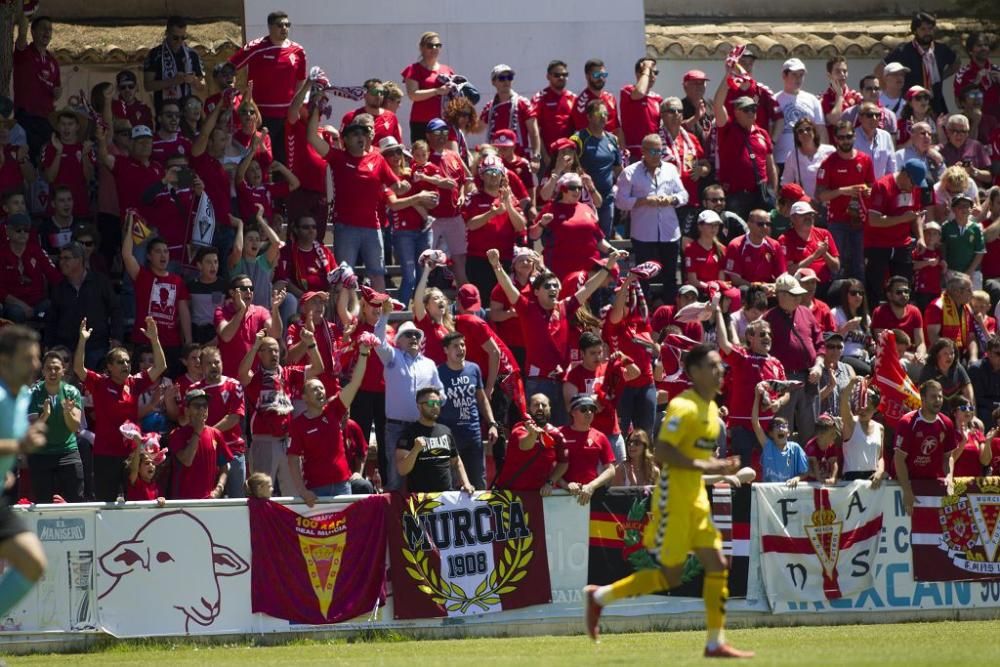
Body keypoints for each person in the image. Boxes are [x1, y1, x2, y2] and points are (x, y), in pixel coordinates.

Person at [583, 344, 752, 659]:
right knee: (670, 575)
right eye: (714, 366)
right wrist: (712, 467)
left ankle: (715, 642)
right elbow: (662, 452)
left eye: (722, 367)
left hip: (696, 500)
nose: (721, 372)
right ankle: (601, 596)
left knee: (717, 564)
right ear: (695, 372)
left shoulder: (713, 411)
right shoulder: (683, 407)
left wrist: (714, 468)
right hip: (673, 500)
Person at [489, 246, 625, 424]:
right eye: (547, 286)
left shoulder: (564, 307)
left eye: (555, 285)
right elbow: (507, 286)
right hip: (537, 382)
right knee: (538, 430)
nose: (553, 288)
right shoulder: (526, 308)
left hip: (562, 381)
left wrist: (608, 267)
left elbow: (589, 287)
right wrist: (496, 265)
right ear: (536, 292)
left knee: (563, 430)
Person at [76, 316, 167, 502]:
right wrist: (82, 340)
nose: (126, 365)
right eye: (120, 362)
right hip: (105, 454)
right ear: (109, 367)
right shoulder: (100, 383)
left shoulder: (134, 383)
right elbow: (78, 368)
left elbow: (161, 366)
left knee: (135, 500)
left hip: (131, 455)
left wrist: (155, 339)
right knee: (106, 501)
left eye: (127, 361)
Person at [307, 115, 398, 293]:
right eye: (355, 134)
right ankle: (346, 316)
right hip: (346, 227)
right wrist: (316, 106)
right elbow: (311, 137)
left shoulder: (378, 159)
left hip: (373, 227)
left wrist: (410, 187)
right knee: (345, 275)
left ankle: (378, 317)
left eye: (363, 134)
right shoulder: (337, 157)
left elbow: (397, 186)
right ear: (345, 139)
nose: (360, 137)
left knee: (378, 274)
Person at [240, 328, 323, 496]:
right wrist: (254, 346)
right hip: (263, 441)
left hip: (287, 441)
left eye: (277, 350)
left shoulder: (288, 373)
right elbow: (241, 375)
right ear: (260, 354)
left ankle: (291, 523)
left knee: (294, 494)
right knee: (260, 493)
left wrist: (311, 343)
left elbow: (318, 368)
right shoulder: (255, 378)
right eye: (269, 350)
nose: (274, 354)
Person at [0, 326, 48, 616]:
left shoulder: (22, 397)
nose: (35, 365)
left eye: (36, 358)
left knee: (32, 563)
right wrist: (18, 444)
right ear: (4, 361)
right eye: (27, 358)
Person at [288, 342, 370, 505]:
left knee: (346, 529)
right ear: (304, 397)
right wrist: (302, 490)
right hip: (316, 490)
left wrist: (363, 354)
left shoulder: (334, 409)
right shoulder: (298, 424)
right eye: (314, 389)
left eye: (322, 388)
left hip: (343, 486)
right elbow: (292, 459)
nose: (320, 391)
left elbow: (354, 384)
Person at [374, 306, 444, 491]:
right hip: (396, 427)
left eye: (416, 335)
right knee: (395, 477)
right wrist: (385, 314)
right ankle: (394, 518)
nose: (414, 338)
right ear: (399, 341)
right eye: (408, 335)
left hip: (422, 426)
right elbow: (378, 341)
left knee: (422, 473)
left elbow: (440, 393)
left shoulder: (429, 364)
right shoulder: (392, 357)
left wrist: (433, 406)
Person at [614, 133, 688, 304]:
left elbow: (684, 195)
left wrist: (672, 200)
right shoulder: (630, 172)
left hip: (669, 232)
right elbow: (620, 201)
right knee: (643, 277)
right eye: (653, 152)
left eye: (660, 151)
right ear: (643, 152)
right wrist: (643, 201)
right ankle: (644, 314)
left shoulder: (670, 169)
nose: (657, 156)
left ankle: (669, 311)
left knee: (670, 276)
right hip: (643, 233)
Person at [228, 10, 305, 160]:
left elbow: (300, 80)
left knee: (283, 160)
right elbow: (230, 67)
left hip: (286, 117)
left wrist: (296, 106)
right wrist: (236, 93)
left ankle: (279, 184)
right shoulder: (256, 47)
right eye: (280, 25)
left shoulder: (298, 51)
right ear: (270, 27)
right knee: (261, 158)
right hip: (262, 116)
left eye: (287, 25)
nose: (284, 28)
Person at [764, 274, 825, 440]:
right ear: (781, 295)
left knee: (811, 428)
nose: (799, 298)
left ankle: (810, 464)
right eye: (794, 295)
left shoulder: (806, 312)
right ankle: (785, 464)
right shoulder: (769, 319)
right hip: (784, 380)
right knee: (783, 428)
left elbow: (820, 343)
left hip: (809, 377)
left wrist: (819, 365)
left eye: (799, 294)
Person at [436, 332, 498, 490]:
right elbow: (433, 403)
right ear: (445, 350)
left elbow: (482, 398)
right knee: (451, 482)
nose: (461, 349)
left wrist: (492, 423)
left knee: (478, 480)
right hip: (449, 436)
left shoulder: (474, 369)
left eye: (463, 345)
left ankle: (482, 512)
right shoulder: (438, 372)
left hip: (472, 433)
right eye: (455, 346)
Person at [713, 77, 777, 222]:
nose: (751, 112)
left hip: (761, 193)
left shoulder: (763, 133)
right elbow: (717, 104)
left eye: (754, 108)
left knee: (763, 233)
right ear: (736, 112)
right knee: (736, 234)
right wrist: (727, 76)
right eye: (746, 109)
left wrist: (773, 191)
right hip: (737, 195)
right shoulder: (727, 129)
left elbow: (770, 165)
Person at [894, 380, 958, 515]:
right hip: (907, 486)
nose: (938, 400)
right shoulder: (907, 423)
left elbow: (948, 457)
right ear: (922, 399)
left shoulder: (947, 423)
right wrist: (906, 490)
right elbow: (899, 460)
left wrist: (949, 478)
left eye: (940, 396)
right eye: (933, 397)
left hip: (933, 488)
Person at [396, 387, 475, 494]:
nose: (435, 406)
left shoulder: (446, 431)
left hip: (446, 498)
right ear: (419, 406)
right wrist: (415, 450)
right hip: (421, 500)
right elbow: (402, 470)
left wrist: (466, 483)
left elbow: (456, 462)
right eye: (430, 403)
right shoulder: (409, 433)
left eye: (438, 403)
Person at [27, 350, 83, 503]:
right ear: (43, 370)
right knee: (42, 502)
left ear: (63, 370)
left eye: (57, 368)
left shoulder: (72, 392)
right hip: (41, 453)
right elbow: (33, 431)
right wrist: (45, 415)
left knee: (75, 500)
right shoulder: (33, 393)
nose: (53, 372)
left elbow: (74, 427)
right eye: (49, 368)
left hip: (67, 451)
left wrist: (67, 412)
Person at [878, 11, 959, 115]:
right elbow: (879, 70)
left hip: (936, 104)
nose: (927, 33)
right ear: (915, 31)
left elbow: (956, 63)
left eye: (930, 29)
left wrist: (941, 76)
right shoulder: (904, 51)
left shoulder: (941, 50)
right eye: (923, 29)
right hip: (911, 106)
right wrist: (889, 95)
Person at [494, 393, 569, 491]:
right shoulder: (519, 428)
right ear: (528, 409)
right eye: (536, 405)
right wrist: (532, 434)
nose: (540, 408)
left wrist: (551, 482)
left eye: (544, 405)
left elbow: (563, 463)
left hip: (539, 494)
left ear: (550, 409)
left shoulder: (556, 434)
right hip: (511, 493)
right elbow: (524, 446)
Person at [572, 99, 624, 238]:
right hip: (584, 199)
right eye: (598, 113)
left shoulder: (612, 139)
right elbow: (570, 165)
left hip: (607, 199)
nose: (603, 117)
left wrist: (625, 191)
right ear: (588, 117)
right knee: (585, 238)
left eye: (606, 114)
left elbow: (618, 169)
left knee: (604, 239)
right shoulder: (578, 138)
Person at [215, 274, 283, 378]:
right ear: (232, 292)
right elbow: (226, 336)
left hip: (254, 380)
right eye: (243, 288)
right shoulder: (221, 311)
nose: (248, 291)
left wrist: (275, 308)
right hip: (229, 379)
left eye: (251, 288)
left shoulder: (261, 311)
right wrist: (242, 310)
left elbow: (276, 333)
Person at [658, 96, 710, 233]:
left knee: (684, 244)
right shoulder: (655, 140)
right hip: (665, 203)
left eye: (679, 111)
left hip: (689, 201)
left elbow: (706, 164)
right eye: (672, 110)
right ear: (662, 115)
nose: (676, 114)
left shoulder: (691, 138)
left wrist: (702, 170)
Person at [12, 12, 60, 160]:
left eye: (50, 29)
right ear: (33, 32)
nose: (47, 32)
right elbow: (20, 39)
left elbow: (57, 90)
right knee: (28, 158)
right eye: (43, 28)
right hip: (27, 116)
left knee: (45, 159)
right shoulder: (25, 53)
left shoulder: (53, 61)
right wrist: (26, 11)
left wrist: (58, 92)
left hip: (47, 118)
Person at [169, 389, 232, 499]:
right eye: (197, 406)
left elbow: (224, 466)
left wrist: (219, 488)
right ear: (187, 410)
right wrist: (197, 432)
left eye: (205, 405)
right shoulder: (177, 434)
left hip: (208, 501)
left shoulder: (215, 434)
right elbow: (187, 461)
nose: (202, 409)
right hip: (183, 502)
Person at [0, 213, 60, 323]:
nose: (23, 233)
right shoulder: (2, 254)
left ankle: (47, 340)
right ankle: (19, 340)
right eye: (18, 230)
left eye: (26, 230)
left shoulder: (36, 251)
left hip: (38, 306)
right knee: (16, 313)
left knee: (49, 310)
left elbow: (53, 275)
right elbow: (1, 291)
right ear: (8, 231)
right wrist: (22, 305)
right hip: (13, 306)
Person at [773, 58, 828, 170]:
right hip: (781, 160)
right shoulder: (774, 100)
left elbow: (821, 130)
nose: (798, 79)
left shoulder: (812, 100)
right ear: (784, 75)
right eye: (794, 75)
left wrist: (823, 158)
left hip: (808, 161)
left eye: (801, 75)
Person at [142, 15, 205, 114]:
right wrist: (172, 81)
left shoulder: (192, 55)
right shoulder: (155, 54)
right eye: (175, 38)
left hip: (187, 112)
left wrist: (193, 80)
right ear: (167, 33)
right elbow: (147, 85)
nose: (179, 41)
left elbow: (203, 86)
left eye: (183, 37)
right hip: (165, 112)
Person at [401, 32, 454, 142]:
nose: (434, 48)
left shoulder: (447, 70)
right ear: (421, 48)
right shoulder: (413, 69)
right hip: (421, 121)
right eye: (430, 46)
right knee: (422, 155)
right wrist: (437, 91)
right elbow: (413, 95)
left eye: (438, 45)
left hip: (444, 121)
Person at [480, 64, 540, 161]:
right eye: (501, 78)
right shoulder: (490, 106)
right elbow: (477, 128)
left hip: (519, 158)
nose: (506, 81)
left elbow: (534, 132)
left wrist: (536, 157)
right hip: (496, 160)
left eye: (509, 77)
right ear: (493, 82)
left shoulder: (522, 103)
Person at [752, 385, 809, 485]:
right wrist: (757, 397)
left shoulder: (795, 448)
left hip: (789, 492)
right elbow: (755, 423)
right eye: (777, 426)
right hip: (769, 494)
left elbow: (806, 472)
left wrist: (797, 478)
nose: (781, 428)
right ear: (771, 433)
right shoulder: (767, 446)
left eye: (784, 426)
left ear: (788, 433)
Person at [723, 209, 786, 289]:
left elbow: (782, 274)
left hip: (769, 289)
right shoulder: (736, 245)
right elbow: (735, 279)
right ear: (749, 224)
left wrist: (775, 286)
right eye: (760, 224)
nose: (765, 227)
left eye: (768, 224)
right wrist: (758, 287)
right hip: (747, 290)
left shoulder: (774, 245)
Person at [779, 200, 840, 284]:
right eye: (803, 215)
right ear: (792, 218)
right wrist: (815, 256)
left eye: (810, 214)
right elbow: (789, 271)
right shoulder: (784, 239)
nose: (808, 217)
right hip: (800, 287)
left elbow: (836, 267)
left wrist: (824, 253)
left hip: (825, 283)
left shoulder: (824, 233)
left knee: (847, 285)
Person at [838, 376, 886, 483]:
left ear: (875, 409)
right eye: (860, 406)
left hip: (873, 480)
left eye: (867, 408)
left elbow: (880, 457)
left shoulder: (880, 428)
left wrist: (880, 471)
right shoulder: (851, 423)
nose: (862, 411)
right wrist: (851, 384)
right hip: (851, 480)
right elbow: (843, 401)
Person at [925, 272, 978, 361]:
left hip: (961, 354)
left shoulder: (967, 308)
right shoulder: (937, 306)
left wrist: (973, 357)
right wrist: (951, 355)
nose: (972, 293)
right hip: (941, 356)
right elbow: (933, 337)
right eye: (969, 290)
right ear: (956, 291)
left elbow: (971, 337)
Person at [872, 275, 927, 358]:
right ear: (889, 295)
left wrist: (920, 355)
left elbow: (920, 343)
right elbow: (883, 345)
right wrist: (908, 356)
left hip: (912, 358)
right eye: (899, 292)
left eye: (906, 291)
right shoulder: (879, 312)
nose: (904, 295)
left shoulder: (915, 311)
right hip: (889, 358)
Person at [780, 118, 835, 200]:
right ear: (796, 136)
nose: (805, 132)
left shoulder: (830, 151)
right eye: (800, 131)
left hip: (828, 201)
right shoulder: (792, 155)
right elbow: (786, 183)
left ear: (814, 131)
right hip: (805, 205)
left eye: (808, 129)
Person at [571, 59, 624, 145]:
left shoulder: (610, 98)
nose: (601, 78)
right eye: (597, 75)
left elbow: (617, 129)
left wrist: (622, 151)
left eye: (604, 75)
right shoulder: (581, 101)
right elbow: (582, 132)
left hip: (611, 149)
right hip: (593, 150)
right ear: (587, 76)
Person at [533, 60, 576, 165]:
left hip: (569, 157)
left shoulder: (573, 98)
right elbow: (535, 131)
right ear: (548, 76)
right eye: (557, 75)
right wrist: (544, 156)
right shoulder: (539, 98)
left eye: (564, 75)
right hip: (548, 157)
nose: (561, 78)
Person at [619, 58, 663, 161]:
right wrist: (647, 68)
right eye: (649, 72)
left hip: (653, 153)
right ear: (638, 74)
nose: (652, 76)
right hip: (633, 153)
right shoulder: (627, 91)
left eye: (655, 73)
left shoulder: (657, 98)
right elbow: (640, 92)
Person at [341, 78, 402, 147]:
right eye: (374, 92)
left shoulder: (391, 117)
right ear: (365, 94)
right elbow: (342, 144)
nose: (378, 95)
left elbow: (397, 145)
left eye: (381, 93)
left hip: (382, 157)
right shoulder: (350, 117)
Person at [954, 32, 1000, 123]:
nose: (984, 48)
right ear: (970, 51)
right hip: (974, 124)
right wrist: (975, 83)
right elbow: (958, 103)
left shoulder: (997, 70)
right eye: (979, 45)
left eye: (986, 45)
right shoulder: (963, 74)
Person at [942, 194, 986, 288]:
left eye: (966, 206)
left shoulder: (976, 228)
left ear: (971, 209)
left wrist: (968, 273)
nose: (964, 209)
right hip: (952, 271)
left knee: (974, 301)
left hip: (973, 273)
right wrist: (944, 263)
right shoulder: (946, 226)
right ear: (953, 209)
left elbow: (980, 252)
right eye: (960, 206)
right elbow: (943, 247)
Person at [939, 114, 992, 188]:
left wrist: (973, 171)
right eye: (954, 131)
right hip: (952, 194)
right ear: (947, 132)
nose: (959, 135)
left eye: (963, 131)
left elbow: (989, 177)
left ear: (967, 133)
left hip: (977, 192)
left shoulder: (976, 146)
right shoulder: (941, 151)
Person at [917, 337, 973, 406]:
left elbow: (968, 390)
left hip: (956, 413)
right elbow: (921, 396)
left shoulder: (957, 367)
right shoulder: (928, 370)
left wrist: (972, 412)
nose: (949, 357)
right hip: (936, 413)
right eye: (945, 353)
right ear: (937, 355)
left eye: (952, 353)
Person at [950, 396, 991, 477]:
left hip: (975, 485)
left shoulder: (977, 434)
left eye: (971, 408)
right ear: (954, 412)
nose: (968, 410)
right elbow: (949, 460)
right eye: (963, 408)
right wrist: (964, 441)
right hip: (956, 485)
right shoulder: (949, 433)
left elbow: (985, 461)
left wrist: (988, 442)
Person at [969, 336, 1000, 427]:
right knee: (985, 413)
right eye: (998, 353)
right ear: (989, 353)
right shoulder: (977, 369)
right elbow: (978, 398)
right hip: (984, 408)